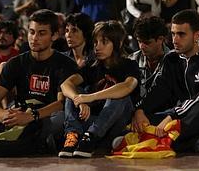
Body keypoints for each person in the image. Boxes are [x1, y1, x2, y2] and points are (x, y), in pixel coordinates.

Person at [0, 10, 77, 156]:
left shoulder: (65, 64)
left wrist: (31, 116)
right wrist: (3, 115)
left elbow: (60, 103)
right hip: (18, 114)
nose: (34, 38)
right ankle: (30, 141)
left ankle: (17, 138)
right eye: (31, 32)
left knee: (61, 118)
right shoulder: (16, 63)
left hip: (44, 117)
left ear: (55, 35)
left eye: (42, 33)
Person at [132, 9, 199, 155]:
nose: (175, 40)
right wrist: (140, 110)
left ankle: (148, 141)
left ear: (196, 35)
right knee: (144, 118)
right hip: (181, 118)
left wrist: (173, 115)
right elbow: (159, 90)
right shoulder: (171, 58)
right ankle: (197, 143)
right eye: (173, 33)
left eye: (181, 34)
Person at [59, 21, 139, 158]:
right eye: (95, 42)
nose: (97, 47)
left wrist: (91, 97)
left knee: (119, 96)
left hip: (117, 122)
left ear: (118, 43)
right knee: (74, 91)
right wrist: (79, 100)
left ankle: (91, 137)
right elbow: (66, 84)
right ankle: (73, 136)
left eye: (104, 42)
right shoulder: (93, 65)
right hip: (92, 120)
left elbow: (127, 87)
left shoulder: (129, 65)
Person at [129, 16, 171, 100]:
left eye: (147, 43)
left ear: (160, 39)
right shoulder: (132, 60)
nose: (141, 46)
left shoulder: (174, 62)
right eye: (139, 41)